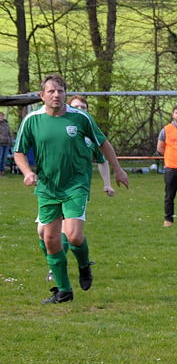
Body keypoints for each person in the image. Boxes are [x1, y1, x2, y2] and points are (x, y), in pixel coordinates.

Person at [14, 74, 129, 304]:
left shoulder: (80, 118)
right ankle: (64, 291)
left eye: (60, 91)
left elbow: (103, 143)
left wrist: (118, 169)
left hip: (75, 184)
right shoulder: (32, 120)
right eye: (51, 91)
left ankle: (84, 264)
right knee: (49, 239)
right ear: (42, 96)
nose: (56, 95)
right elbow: (18, 152)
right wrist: (27, 172)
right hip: (48, 187)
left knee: (74, 236)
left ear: (65, 93)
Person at [38, 95, 116, 282]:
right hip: (51, 188)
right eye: (76, 106)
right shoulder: (50, 124)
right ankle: (55, 265)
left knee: (69, 232)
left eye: (83, 106)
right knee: (42, 232)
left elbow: (102, 160)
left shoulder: (89, 134)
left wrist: (107, 183)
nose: (79, 109)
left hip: (76, 189)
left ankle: (70, 270)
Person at [0, 111, 11, 176]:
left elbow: (9, 133)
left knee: (4, 159)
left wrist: (11, 142)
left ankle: (2, 171)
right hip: (0, 143)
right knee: (0, 158)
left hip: (7, 143)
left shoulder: (6, 123)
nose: (1, 117)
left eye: (2, 116)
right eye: (0, 116)